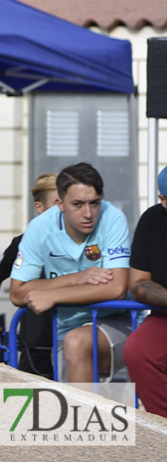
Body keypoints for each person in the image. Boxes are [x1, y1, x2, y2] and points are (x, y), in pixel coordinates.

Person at [9, 162, 132, 383]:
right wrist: (77, 278)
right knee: (64, 402)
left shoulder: (113, 217)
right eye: (78, 204)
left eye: (94, 203)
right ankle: (86, 415)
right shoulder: (39, 227)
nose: (88, 214)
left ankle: (86, 416)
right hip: (64, 330)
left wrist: (53, 295)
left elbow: (117, 288)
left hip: (119, 321)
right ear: (60, 204)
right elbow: (17, 294)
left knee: (76, 343)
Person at [0, 173, 59, 378]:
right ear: (39, 207)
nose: (62, 210)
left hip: (70, 339)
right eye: (56, 203)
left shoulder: (80, 241)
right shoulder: (23, 241)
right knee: (28, 407)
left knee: (76, 405)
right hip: (33, 343)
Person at [124, 165, 167, 418]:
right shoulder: (153, 219)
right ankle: (162, 429)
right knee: (138, 349)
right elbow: (138, 283)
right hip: (164, 316)